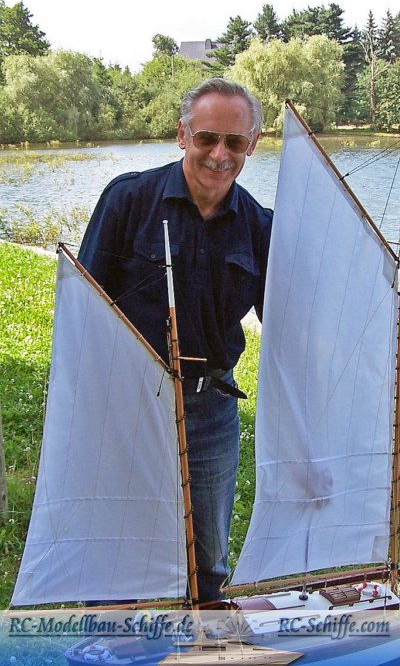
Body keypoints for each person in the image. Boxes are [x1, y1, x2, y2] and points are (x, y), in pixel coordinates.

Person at [78, 78, 273, 604]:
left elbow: (287, 327)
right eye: (207, 137)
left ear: (252, 145)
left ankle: (204, 633)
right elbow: (85, 310)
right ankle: (112, 635)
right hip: (127, 401)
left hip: (210, 407)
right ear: (183, 135)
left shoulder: (260, 226)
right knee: (117, 541)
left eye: (235, 142)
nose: (219, 154)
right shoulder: (128, 200)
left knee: (207, 556)